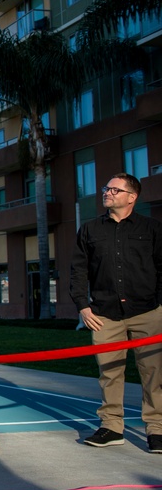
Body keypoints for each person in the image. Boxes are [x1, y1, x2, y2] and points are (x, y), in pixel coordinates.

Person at [69, 173, 162, 454]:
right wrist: (82, 307)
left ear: (131, 197)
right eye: (105, 188)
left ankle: (156, 429)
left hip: (147, 311)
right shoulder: (89, 230)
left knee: (154, 373)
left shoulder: (152, 228)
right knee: (109, 372)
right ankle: (111, 427)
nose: (106, 192)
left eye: (113, 189)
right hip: (104, 314)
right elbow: (78, 271)